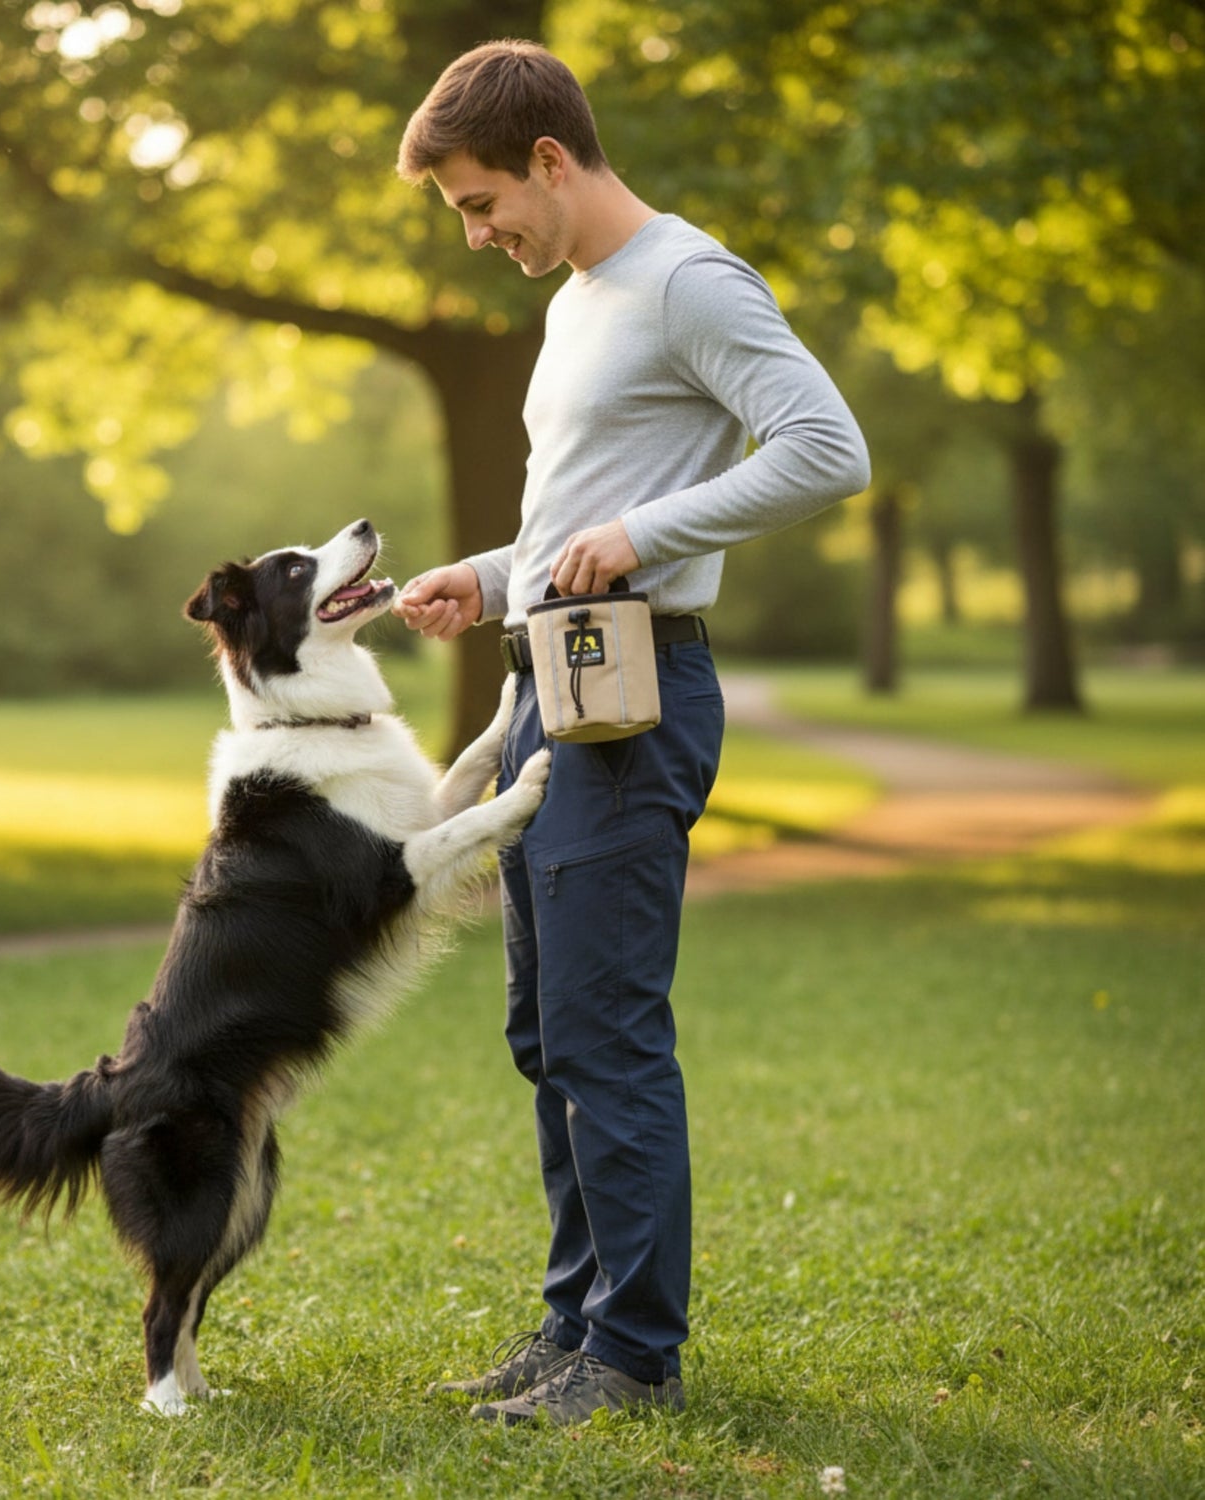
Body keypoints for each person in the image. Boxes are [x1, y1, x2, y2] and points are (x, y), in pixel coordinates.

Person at [393, 40, 870, 1425]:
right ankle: (573, 1326)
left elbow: (825, 447)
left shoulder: (688, 282)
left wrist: (649, 537)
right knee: (547, 1035)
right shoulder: (584, 302)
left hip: (635, 690)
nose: (480, 238)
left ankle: (633, 1358)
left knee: (605, 1033)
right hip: (552, 679)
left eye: (483, 206)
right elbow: (577, 520)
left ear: (549, 157)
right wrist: (487, 578)